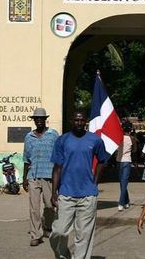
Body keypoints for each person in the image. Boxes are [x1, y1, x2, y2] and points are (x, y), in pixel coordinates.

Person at [49, 110, 109, 259]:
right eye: (76, 120)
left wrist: (95, 182)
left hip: (88, 195)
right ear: (72, 121)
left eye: (82, 120)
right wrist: (53, 192)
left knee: (84, 235)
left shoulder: (95, 140)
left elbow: (102, 161)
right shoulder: (62, 140)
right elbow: (57, 168)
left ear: (86, 121)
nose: (79, 123)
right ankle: (63, 254)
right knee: (59, 231)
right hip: (66, 193)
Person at [22, 107, 59, 247]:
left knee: (49, 205)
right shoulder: (29, 137)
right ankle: (36, 234)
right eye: (36, 119)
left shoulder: (53, 134)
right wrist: (25, 178)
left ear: (45, 120)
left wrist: (59, 175)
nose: (39, 121)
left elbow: (59, 155)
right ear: (34, 121)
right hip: (33, 176)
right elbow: (26, 158)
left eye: (41, 119)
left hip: (49, 175)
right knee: (34, 207)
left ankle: (48, 227)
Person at [116, 123, 136, 211]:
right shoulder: (132, 138)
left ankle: (122, 202)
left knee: (122, 182)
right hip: (127, 161)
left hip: (119, 161)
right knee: (124, 182)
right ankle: (125, 201)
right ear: (130, 131)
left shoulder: (118, 138)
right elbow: (135, 150)